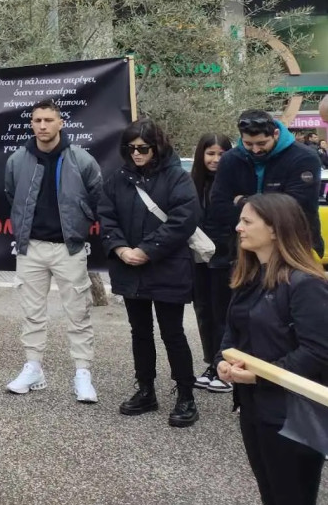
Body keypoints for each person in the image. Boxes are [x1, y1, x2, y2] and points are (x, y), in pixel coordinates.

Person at [219, 193, 328, 505]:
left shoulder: (306, 284)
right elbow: (232, 333)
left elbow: (318, 352)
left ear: (276, 229)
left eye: (247, 221)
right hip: (255, 409)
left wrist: (260, 374)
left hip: (294, 415)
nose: (238, 228)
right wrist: (223, 362)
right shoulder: (249, 277)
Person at [98, 120, 200, 427]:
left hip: (167, 266)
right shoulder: (118, 179)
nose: (136, 153)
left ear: (157, 147)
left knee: (172, 332)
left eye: (142, 148)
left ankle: (186, 394)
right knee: (139, 331)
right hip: (130, 266)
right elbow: (106, 216)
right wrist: (120, 248)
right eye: (130, 148)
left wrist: (147, 249)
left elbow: (184, 219)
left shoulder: (177, 177)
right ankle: (145, 389)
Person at [3, 98, 103, 403]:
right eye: (37, 120)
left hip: (69, 248)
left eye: (48, 120)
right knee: (32, 313)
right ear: (31, 124)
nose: (43, 126)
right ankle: (33, 368)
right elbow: (11, 194)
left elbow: (97, 197)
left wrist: (79, 224)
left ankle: (82, 374)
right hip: (31, 247)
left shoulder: (81, 160)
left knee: (78, 313)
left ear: (61, 123)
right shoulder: (17, 160)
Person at [207, 109, 324, 260]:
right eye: (248, 144)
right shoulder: (230, 159)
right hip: (243, 250)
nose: (255, 150)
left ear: (275, 134)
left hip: (294, 246)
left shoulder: (304, 158)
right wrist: (271, 206)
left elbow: (297, 207)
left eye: (262, 143)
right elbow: (219, 205)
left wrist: (243, 201)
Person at [191, 132, 235, 392]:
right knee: (204, 312)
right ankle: (212, 363)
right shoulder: (192, 183)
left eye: (221, 154)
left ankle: (225, 366)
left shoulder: (233, 182)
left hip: (226, 257)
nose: (216, 159)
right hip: (199, 258)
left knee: (223, 314)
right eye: (210, 153)